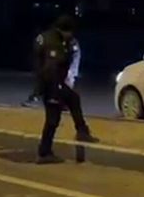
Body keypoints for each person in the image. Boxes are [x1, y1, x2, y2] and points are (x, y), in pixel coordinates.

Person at [34, 15, 98, 164]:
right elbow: (51, 67)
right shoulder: (54, 42)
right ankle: (44, 153)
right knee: (52, 119)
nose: (71, 36)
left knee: (73, 99)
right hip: (52, 85)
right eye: (70, 32)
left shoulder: (47, 37)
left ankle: (82, 131)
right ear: (64, 30)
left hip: (51, 83)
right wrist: (55, 90)